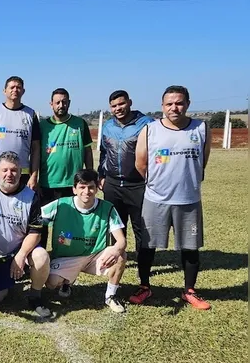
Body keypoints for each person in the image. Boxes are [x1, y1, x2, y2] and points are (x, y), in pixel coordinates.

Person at [133, 85, 211, 310]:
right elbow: (140, 163)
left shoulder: (201, 128)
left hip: (188, 200)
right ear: (162, 106)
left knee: (190, 248)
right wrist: (157, 183)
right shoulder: (150, 130)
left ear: (187, 104)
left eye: (179, 103)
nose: (174, 108)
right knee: (147, 246)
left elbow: (202, 161)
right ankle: (144, 286)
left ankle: (189, 291)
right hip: (156, 199)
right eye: (169, 104)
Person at [0, 151, 51, 318]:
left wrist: (21, 255)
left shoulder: (32, 197)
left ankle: (35, 296)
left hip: (17, 251)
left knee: (41, 256)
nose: (9, 174)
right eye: (5, 170)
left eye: (14, 170)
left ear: (21, 172)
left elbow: (35, 232)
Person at [42, 169, 127, 313]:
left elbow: (121, 241)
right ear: (74, 189)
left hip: (95, 257)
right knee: (51, 283)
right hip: (67, 257)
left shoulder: (107, 208)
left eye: (91, 187)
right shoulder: (60, 205)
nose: (86, 191)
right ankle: (67, 282)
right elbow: (35, 220)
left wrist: (116, 249)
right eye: (82, 187)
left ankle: (110, 296)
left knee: (120, 255)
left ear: (97, 189)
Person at [98, 90, 153, 258]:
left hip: (138, 184)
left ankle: (143, 263)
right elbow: (104, 153)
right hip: (113, 184)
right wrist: (101, 175)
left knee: (142, 226)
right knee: (115, 226)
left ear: (129, 102)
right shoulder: (108, 126)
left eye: (121, 104)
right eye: (114, 106)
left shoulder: (146, 123)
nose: (118, 108)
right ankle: (117, 259)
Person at [38, 88, 93, 248]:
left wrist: (90, 175)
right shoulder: (42, 126)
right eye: (57, 102)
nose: (61, 105)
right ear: (51, 104)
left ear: (69, 103)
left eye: (64, 102)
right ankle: (40, 253)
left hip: (72, 185)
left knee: (67, 224)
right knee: (42, 224)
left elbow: (88, 151)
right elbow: (35, 152)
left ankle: (63, 252)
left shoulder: (80, 124)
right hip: (48, 184)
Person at [0, 76, 41, 190]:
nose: (15, 90)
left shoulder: (31, 114)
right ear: (4, 91)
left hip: (22, 172)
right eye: (12, 87)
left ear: (23, 91)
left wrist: (34, 175)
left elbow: (36, 148)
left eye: (18, 87)